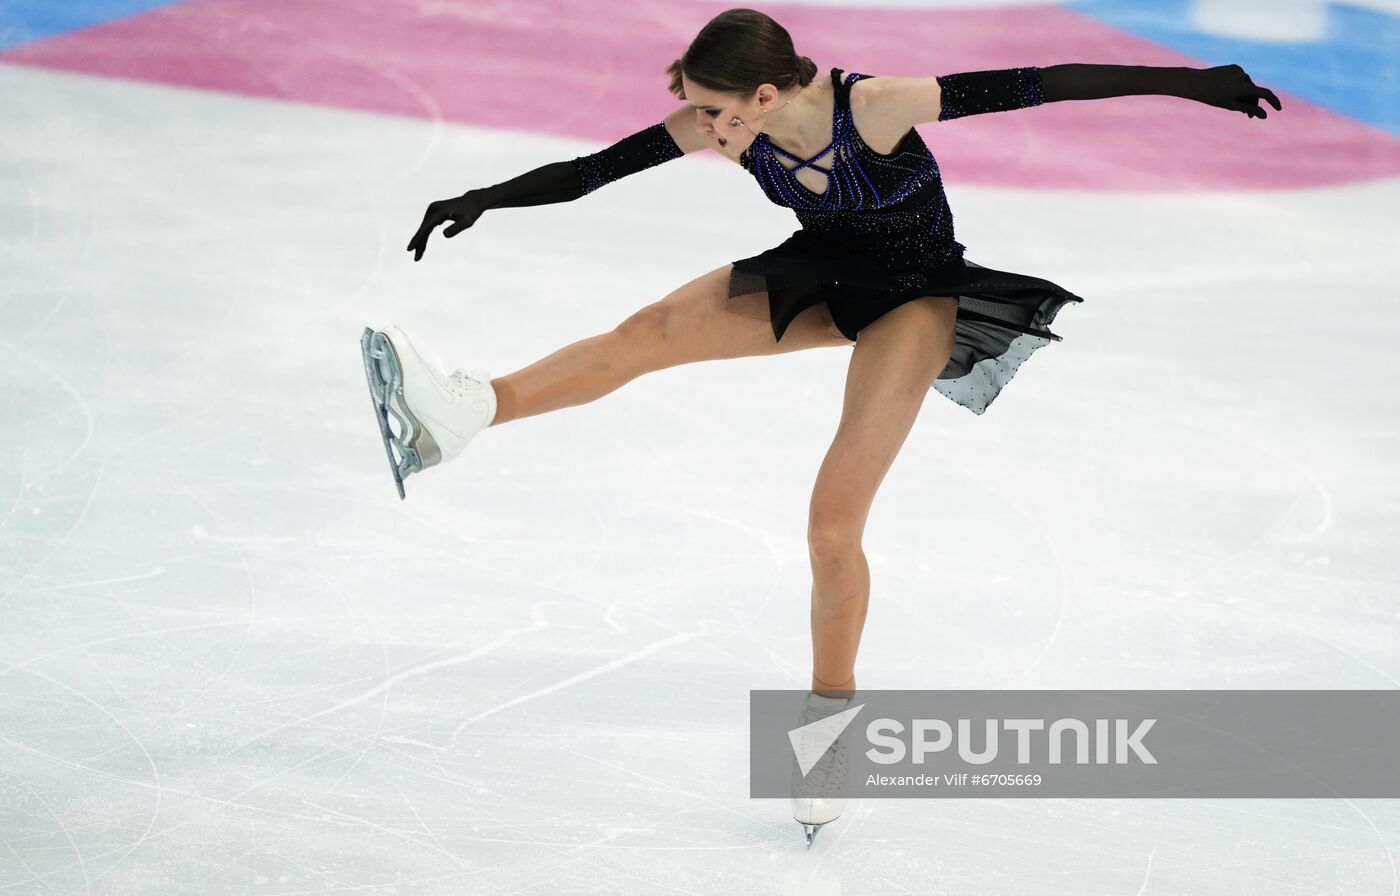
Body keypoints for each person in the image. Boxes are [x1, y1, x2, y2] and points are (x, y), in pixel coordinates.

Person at [363, 7, 1281, 844]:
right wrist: (481, 197)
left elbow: (1044, 82)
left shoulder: (875, 108)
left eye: (720, 116)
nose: (708, 133)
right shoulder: (722, 120)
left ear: (767, 94)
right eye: (701, 114)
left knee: (832, 525)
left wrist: (1198, 83)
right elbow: (589, 173)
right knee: (644, 336)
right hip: (814, 271)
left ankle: (831, 732)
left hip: (913, 298)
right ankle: (465, 410)